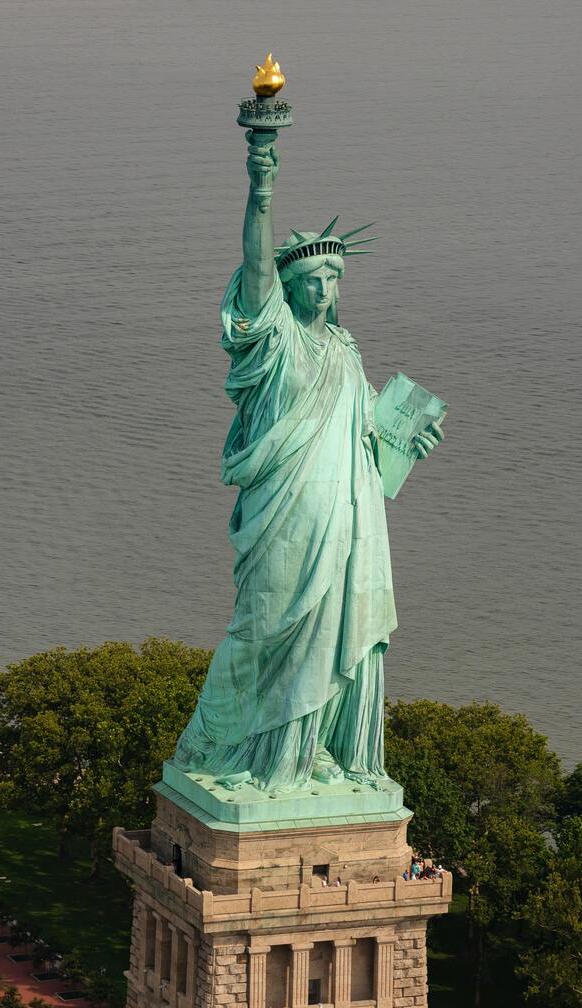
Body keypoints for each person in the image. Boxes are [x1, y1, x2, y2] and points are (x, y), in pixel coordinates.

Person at [171, 124, 442, 793]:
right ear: (287, 289)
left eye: (331, 278)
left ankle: (313, 750)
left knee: (337, 628)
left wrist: (408, 439)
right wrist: (261, 184)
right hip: (286, 516)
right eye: (310, 279)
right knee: (267, 632)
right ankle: (234, 748)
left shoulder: (346, 353)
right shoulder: (275, 345)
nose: (321, 289)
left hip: (349, 519)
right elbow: (257, 268)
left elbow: (369, 431)